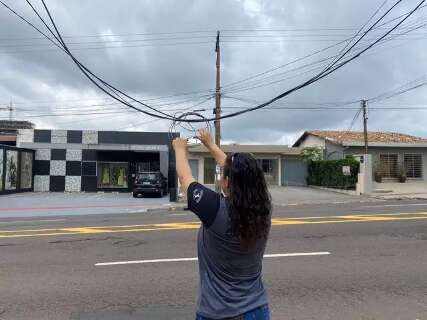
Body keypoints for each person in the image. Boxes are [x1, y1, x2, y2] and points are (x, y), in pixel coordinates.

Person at [172, 129, 272, 320]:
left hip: (217, 313)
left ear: (226, 182)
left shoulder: (215, 209)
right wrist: (210, 144)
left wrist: (179, 149)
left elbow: (185, 179)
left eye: (222, 176)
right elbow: (239, 176)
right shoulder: (264, 210)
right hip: (257, 310)